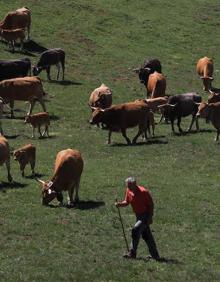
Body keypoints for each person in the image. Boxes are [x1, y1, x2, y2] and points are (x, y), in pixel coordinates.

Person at [115, 177, 160, 260]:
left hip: (145, 216)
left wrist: (150, 217)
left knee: (136, 230)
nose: (128, 187)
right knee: (146, 235)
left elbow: (151, 205)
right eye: (127, 186)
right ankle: (155, 255)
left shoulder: (143, 192)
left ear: (135, 184)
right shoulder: (129, 190)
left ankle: (132, 253)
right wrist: (119, 204)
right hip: (138, 216)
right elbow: (127, 202)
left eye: (129, 186)